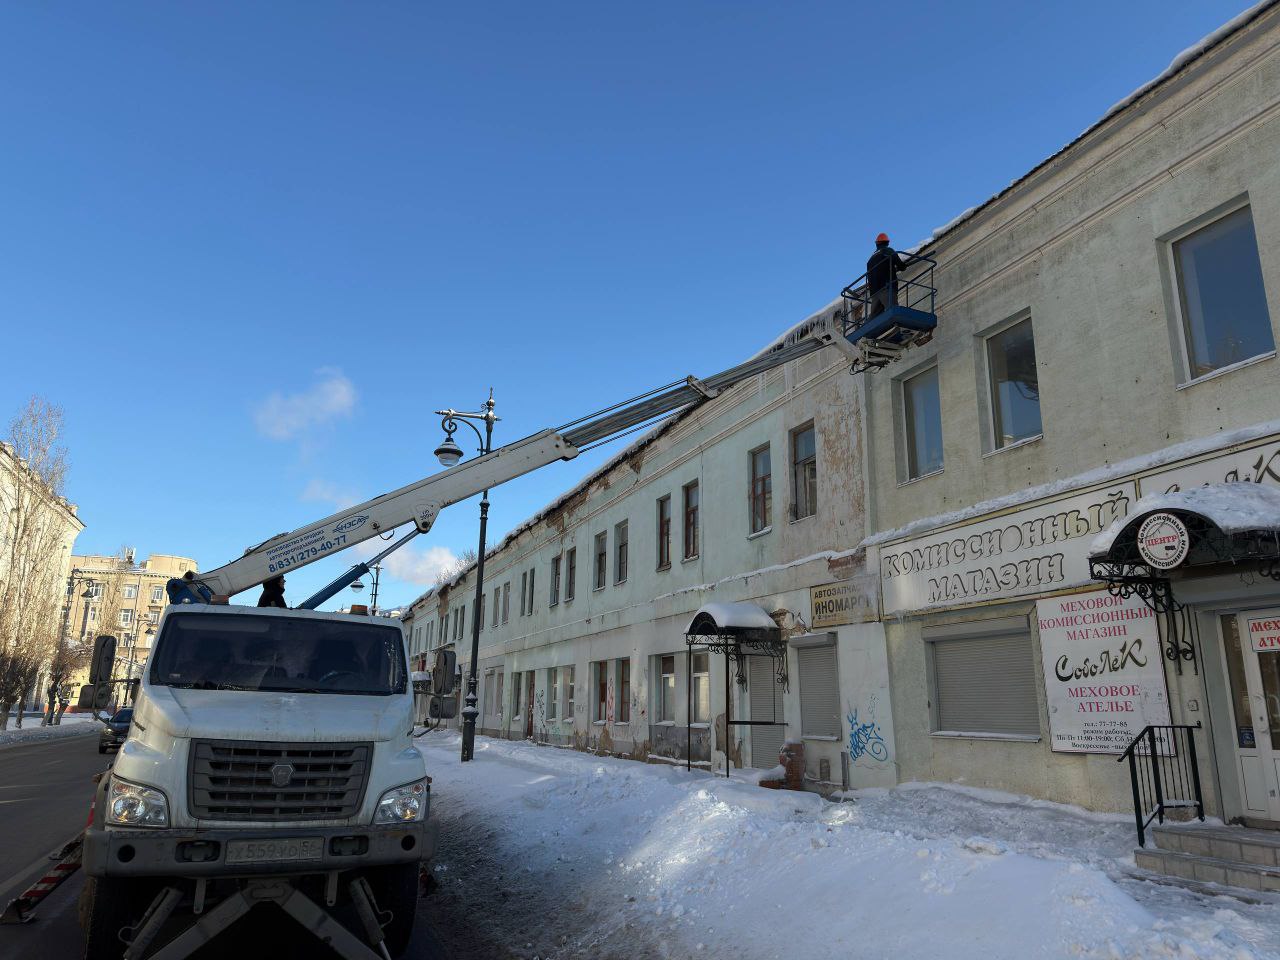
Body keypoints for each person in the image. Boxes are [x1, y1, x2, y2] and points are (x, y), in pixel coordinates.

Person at [866, 232, 909, 320]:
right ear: (887, 243)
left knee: (874, 317)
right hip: (886, 287)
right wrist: (903, 266)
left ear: (877, 244)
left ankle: (866, 330)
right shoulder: (887, 250)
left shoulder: (870, 259)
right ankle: (896, 326)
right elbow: (900, 265)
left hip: (874, 292)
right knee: (893, 310)